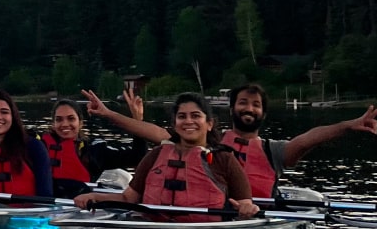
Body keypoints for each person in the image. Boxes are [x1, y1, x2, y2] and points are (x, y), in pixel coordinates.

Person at [94, 83, 377, 199]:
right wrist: (109, 114)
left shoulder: (274, 151)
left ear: (263, 112)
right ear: (231, 109)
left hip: (253, 215)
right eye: (243, 103)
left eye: (255, 105)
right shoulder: (210, 140)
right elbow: (153, 132)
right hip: (211, 216)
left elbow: (307, 139)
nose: (249, 108)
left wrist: (347, 125)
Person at [74, 92, 258, 221]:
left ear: (209, 124)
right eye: (182, 116)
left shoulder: (224, 160)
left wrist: (247, 209)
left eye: (196, 116)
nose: (188, 121)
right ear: (175, 124)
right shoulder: (156, 155)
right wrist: (95, 196)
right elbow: (128, 200)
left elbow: (245, 204)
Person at [40, 85, 148, 198]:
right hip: (42, 205)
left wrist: (138, 120)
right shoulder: (39, 146)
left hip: (78, 209)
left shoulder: (95, 151)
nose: (65, 124)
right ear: (53, 124)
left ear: (80, 123)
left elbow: (138, 157)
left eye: (71, 118)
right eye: (59, 120)